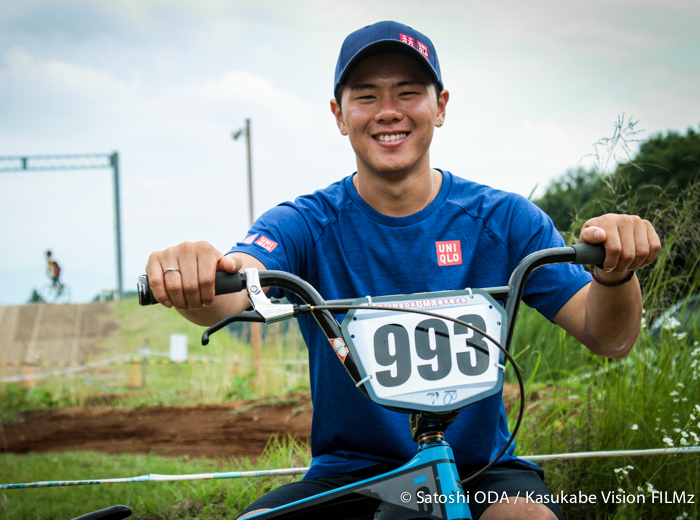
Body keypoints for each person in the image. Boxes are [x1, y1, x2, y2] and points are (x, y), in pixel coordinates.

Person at [146, 21, 661, 520]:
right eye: (366, 96)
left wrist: (616, 273)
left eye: (408, 92)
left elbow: (607, 336)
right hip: (349, 475)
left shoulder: (504, 221)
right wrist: (198, 275)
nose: (387, 112)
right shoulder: (305, 222)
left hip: (481, 473)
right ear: (339, 114)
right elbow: (235, 285)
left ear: (441, 107)